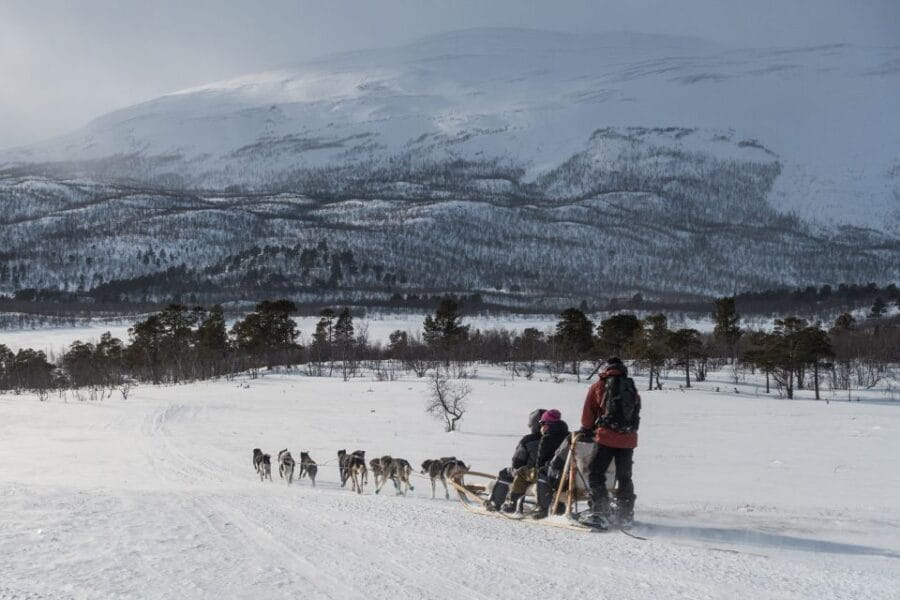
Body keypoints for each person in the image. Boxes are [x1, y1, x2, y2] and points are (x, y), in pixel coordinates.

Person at [579, 357, 641, 528]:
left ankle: (601, 512)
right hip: (628, 440)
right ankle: (625, 515)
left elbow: (588, 413)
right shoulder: (631, 388)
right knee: (624, 477)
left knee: (595, 473)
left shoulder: (599, 386)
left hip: (606, 437)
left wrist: (586, 429)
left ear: (607, 369)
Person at [505, 409, 569, 517]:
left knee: (522, 473)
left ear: (547, 424)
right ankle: (559, 506)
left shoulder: (546, 438)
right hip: (567, 476)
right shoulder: (567, 436)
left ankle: (514, 504)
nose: (541, 427)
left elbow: (538, 463)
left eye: (542, 423)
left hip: (551, 476)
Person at [483, 408, 545, 511]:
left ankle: (496, 503)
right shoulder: (554, 438)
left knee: (504, 473)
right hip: (547, 473)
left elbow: (517, 461)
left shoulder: (528, 440)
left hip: (529, 474)